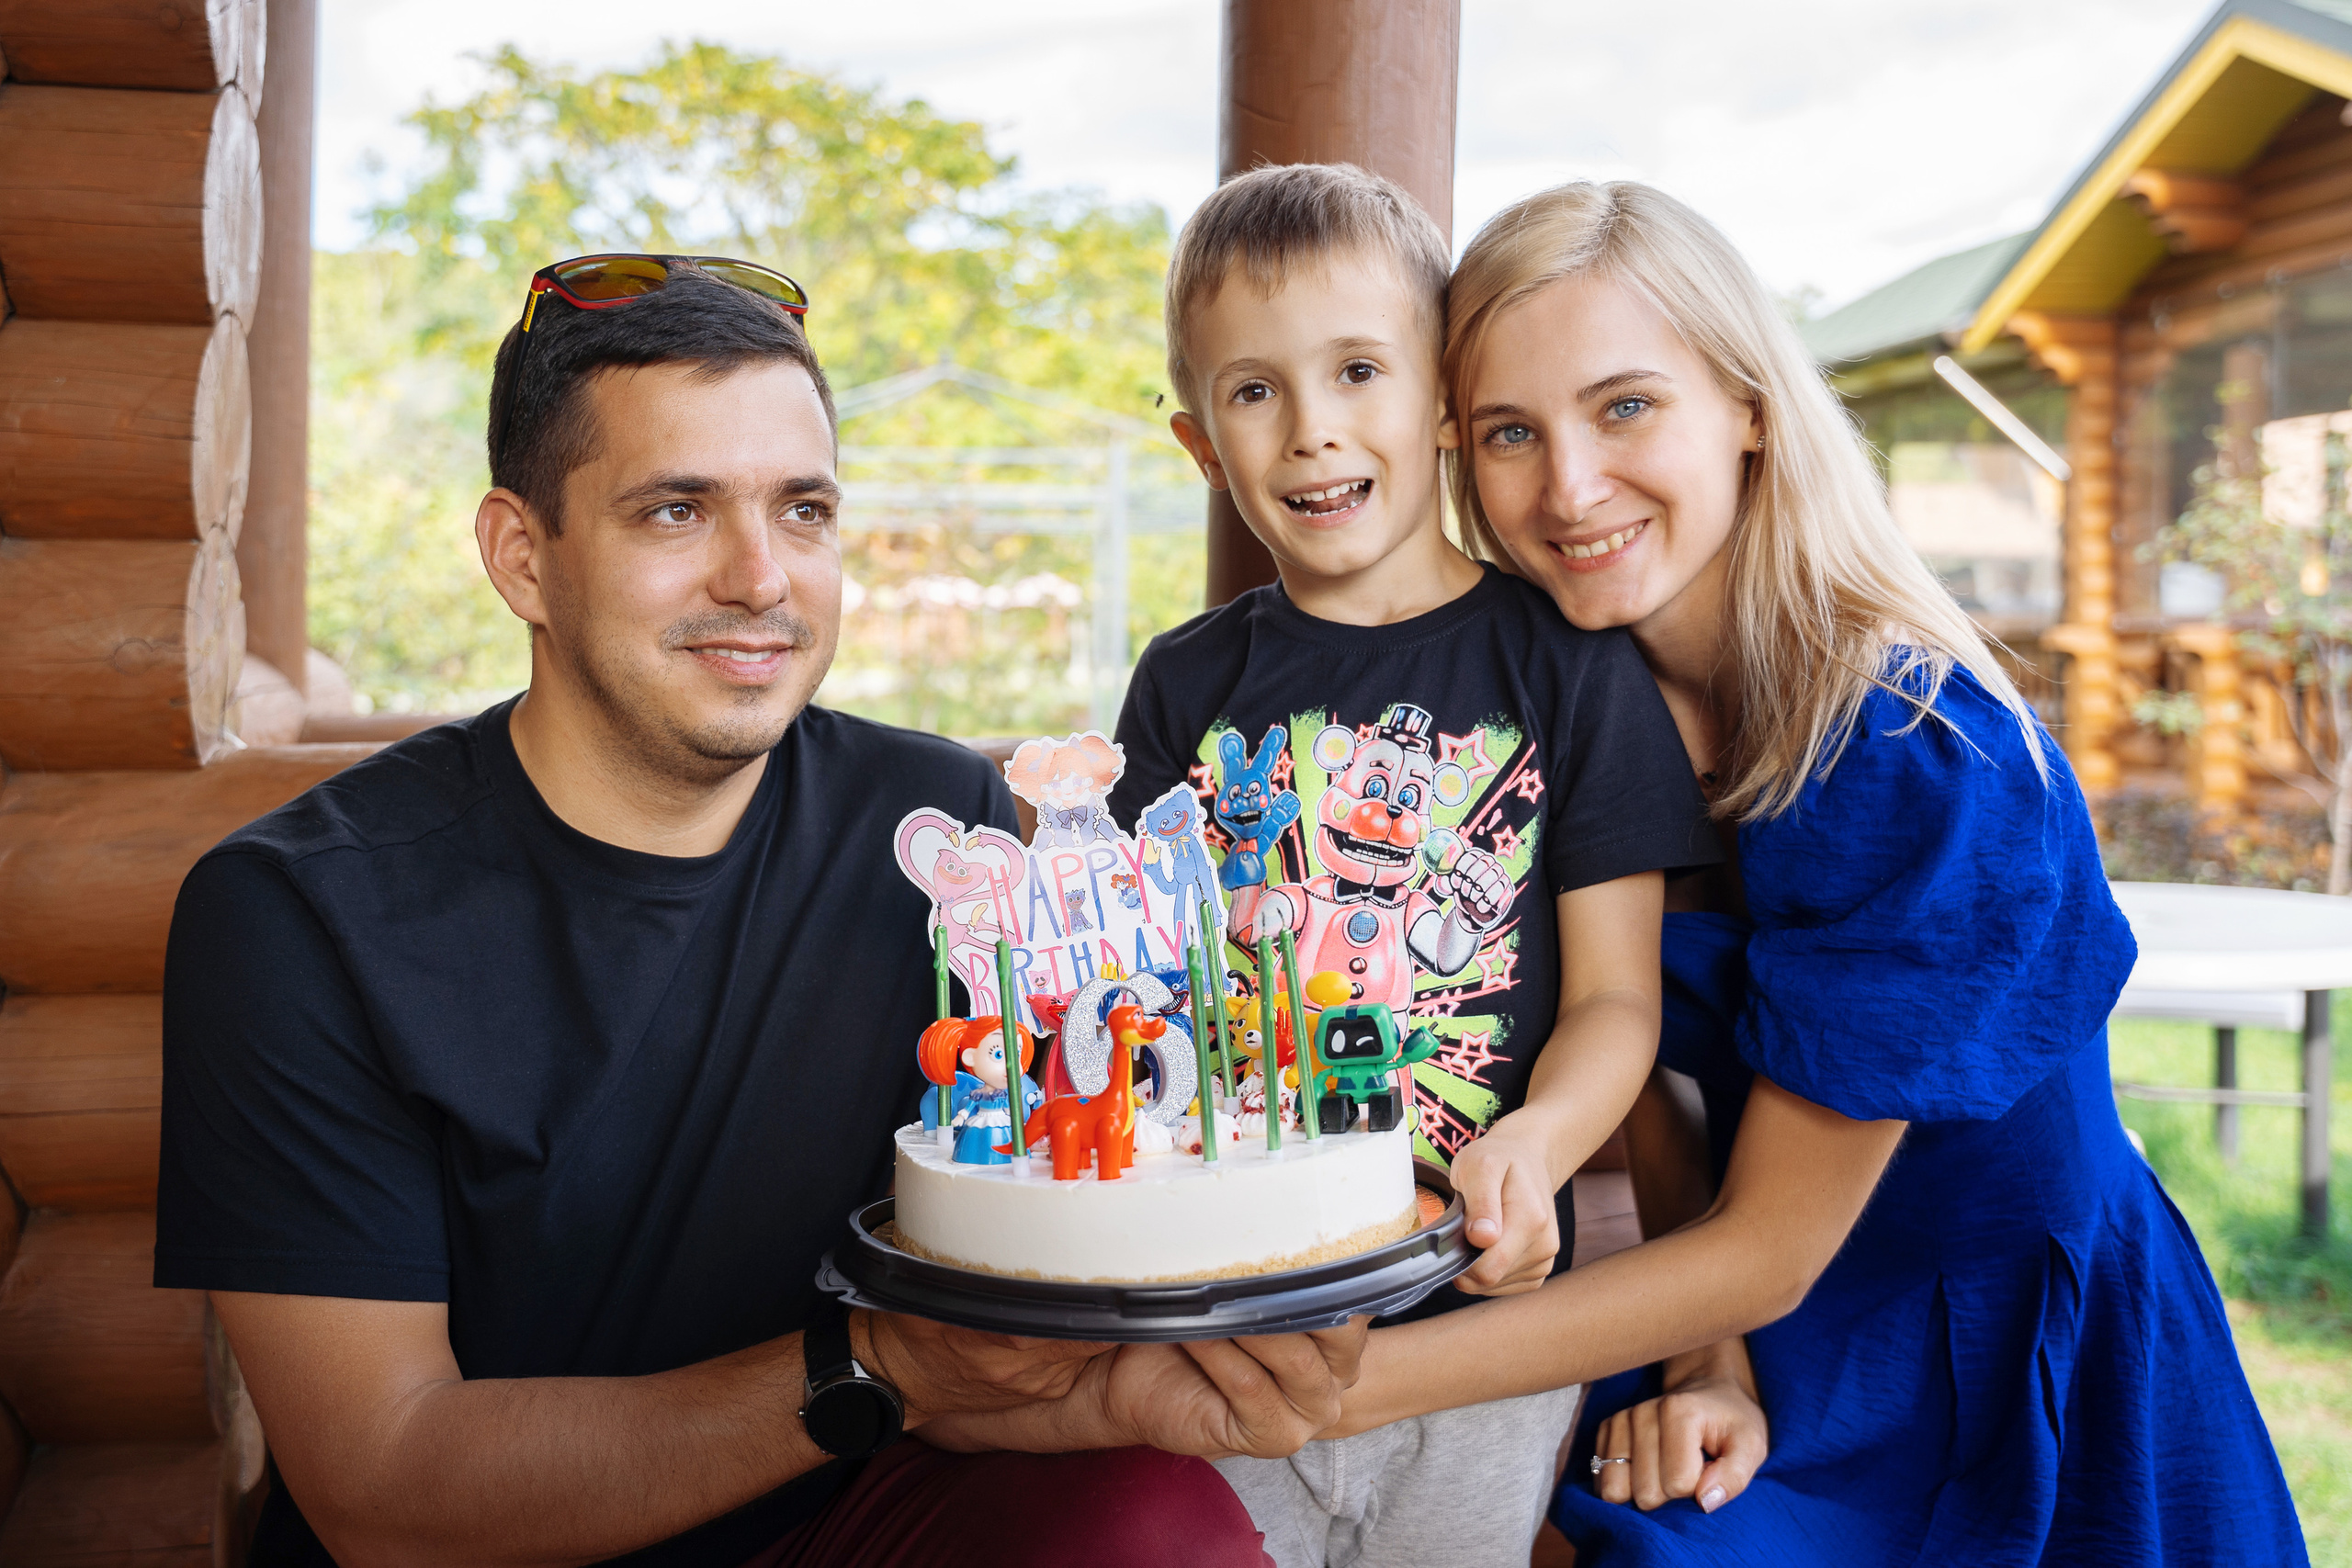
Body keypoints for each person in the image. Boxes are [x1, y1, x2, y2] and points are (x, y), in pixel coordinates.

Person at [154, 256, 1361, 1568]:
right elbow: (384, 1490)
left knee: (1154, 1523)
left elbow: (994, 1269)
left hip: (838, 1515)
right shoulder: (297, 914)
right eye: (677, 512)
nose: (761, 577)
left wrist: (1102, 1392)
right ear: (522, 557)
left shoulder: (940, 830)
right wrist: (871, 1363)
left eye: (805, 511)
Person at [1302, 180, 2303, 1563]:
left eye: (1628, 406)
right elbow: (1640, 1066)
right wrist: (1710, 1357)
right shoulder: (1567, 709)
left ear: (1750, 407)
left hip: (1979, 1343)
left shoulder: (1909, 747)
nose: (1570, 485)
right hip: (1749, 1316)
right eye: (1509, 434)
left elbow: (1774, 1242)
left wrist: (1321, 1392)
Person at [1100, 164, 1722, 1568]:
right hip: (1226, 1317)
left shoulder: (1567, 668)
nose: (1314, 432)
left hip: (1484, 1316)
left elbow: (1618, 1002)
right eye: (1256, 392)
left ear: (1441, 399)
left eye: (1359, 370)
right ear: (1204, 444)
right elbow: (1133, 980)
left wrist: (1540, 1146)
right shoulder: (1185, 684)